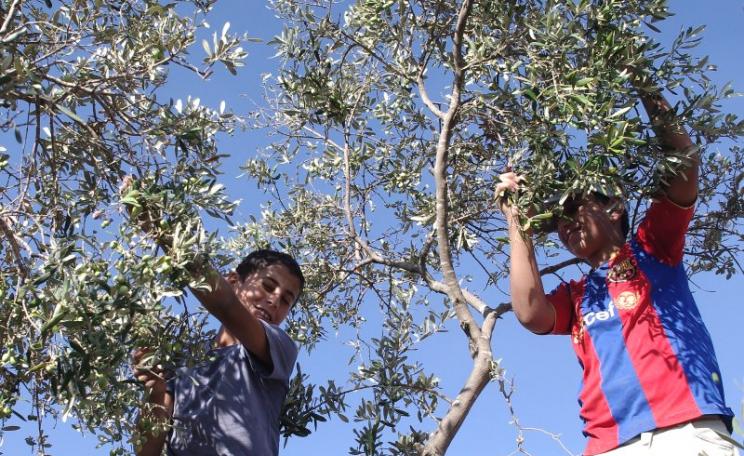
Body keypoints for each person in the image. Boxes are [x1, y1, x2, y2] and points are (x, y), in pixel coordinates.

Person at [496, 88, 736, 455]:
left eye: (575, 207)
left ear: (614, 209)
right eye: (558, 220)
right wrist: (517, 222)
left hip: (685, 432)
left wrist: (641, 81)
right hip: (609, 446)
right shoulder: (577, 297)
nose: (566, 224)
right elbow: (530, 311)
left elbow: (684, 165)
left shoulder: (652, 249)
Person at [133, 249, 304, 456]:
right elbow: (146, 451)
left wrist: (168, 237)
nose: (275, 300)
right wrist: (156, 391)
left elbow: (227, 306)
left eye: (286, 300)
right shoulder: (182, 362)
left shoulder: (281, 348)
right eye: (267, 286)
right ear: (232, 282)